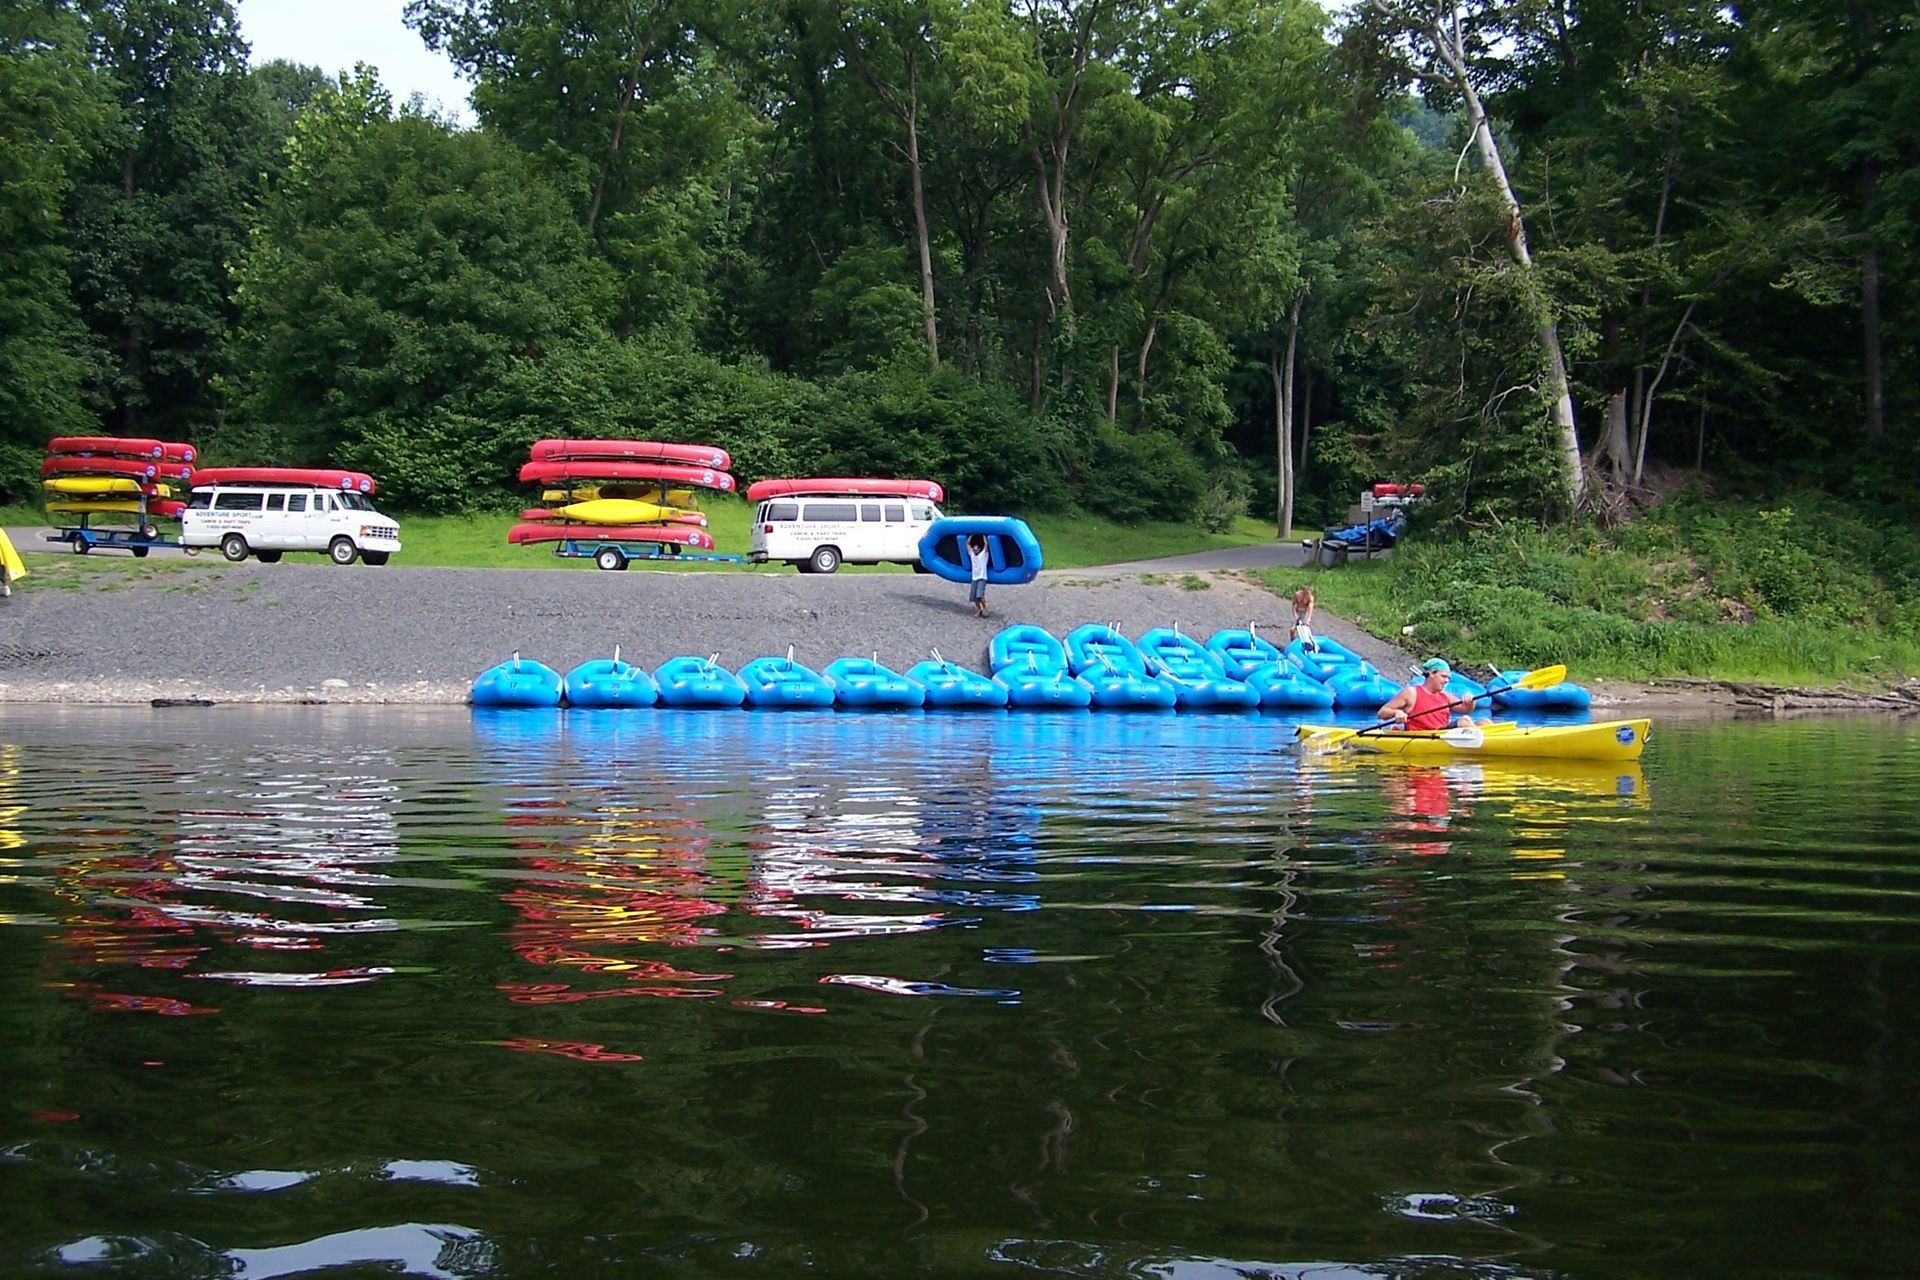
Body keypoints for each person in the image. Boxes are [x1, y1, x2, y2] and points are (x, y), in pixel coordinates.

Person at [1376, 657, 1482, 731]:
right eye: (1443, 676)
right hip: (1424, 736)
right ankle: (1484, 744)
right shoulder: (1411, 692)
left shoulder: (1445, 696)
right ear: (1432, 674)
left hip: (1441, 733)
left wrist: (1471, 702)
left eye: (1448, 678)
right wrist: (1396, 712)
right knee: (1464, 721)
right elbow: (1382, 713)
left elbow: (1466, 709)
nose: (1446, 681)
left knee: (1484, 722)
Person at [967, 533, 990, 618]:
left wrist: (984, 536)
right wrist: (972, 535)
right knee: (973, 597)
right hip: (974, 577)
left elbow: (986, 545)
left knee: (980, 595)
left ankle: (985, 608)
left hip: (982, 577)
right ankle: (978, 609)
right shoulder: (972, 555)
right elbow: (968, 544)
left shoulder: (983, 555)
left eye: (976, 549)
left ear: (979, 549)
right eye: (974, 549)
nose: (975, 550)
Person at [1290, 584, 1317, 650]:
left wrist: (1308, 619)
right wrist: (1295, 614)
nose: (1306, 595)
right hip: (1298, 612)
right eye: (1305, 593)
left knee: (1303, 629)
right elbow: (1293, 605)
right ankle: (1292, 643)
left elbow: (1310, 609)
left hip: (1305, 613)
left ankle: (1309, 645)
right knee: (1292, 630)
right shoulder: (1297, 595)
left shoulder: (1310, 598)